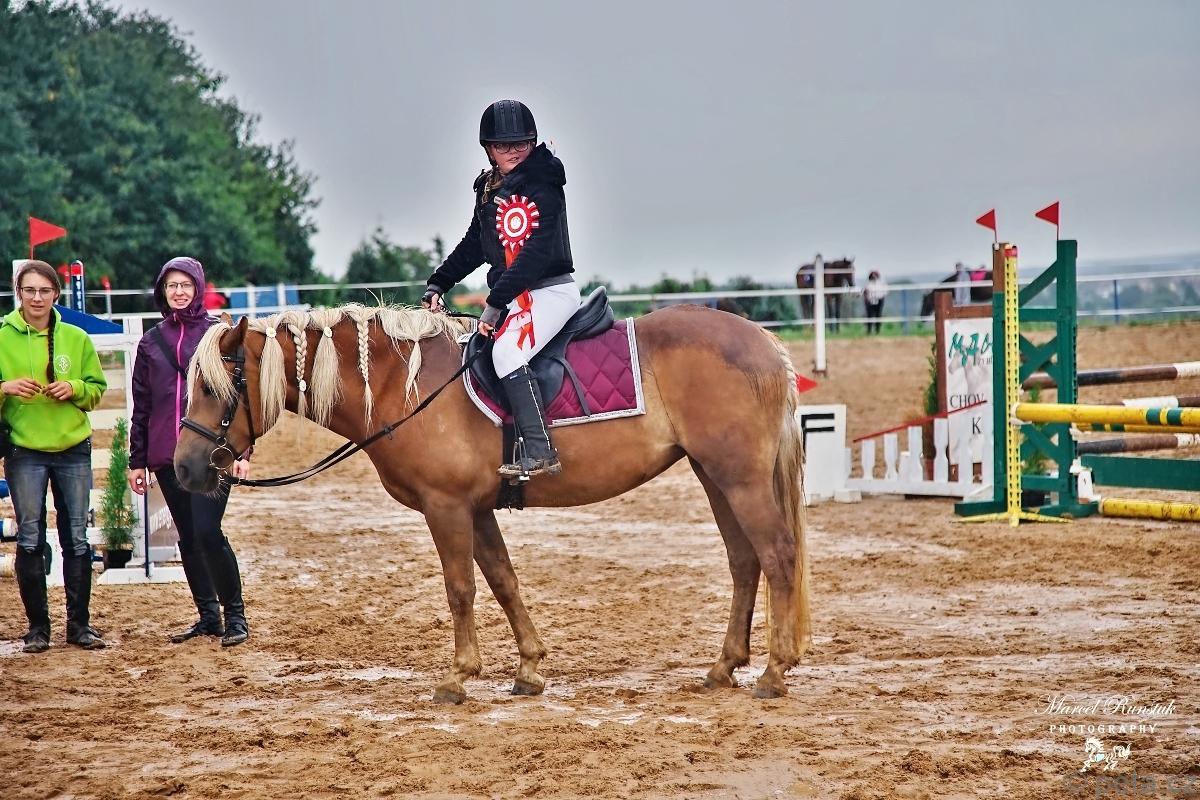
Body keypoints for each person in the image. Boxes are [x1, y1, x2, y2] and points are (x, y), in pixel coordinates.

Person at [421, 99, 579, 479]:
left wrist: (494, 303)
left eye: (521, 144)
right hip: (515, 296)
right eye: (503, 145)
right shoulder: (490, 189)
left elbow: (535, 255)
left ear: (533, 143)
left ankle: (540, 450)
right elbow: (475, 244)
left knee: (507, 352)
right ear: (489, 149)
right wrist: (439, 282)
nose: (513, 151)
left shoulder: (545, 182)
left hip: (550, 292)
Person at [127, 257, 250, 647]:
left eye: (185, 285)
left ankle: (235, 616)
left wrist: (243, 453)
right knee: (188, 537)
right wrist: (137, 460)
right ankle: (208, 618)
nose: (178, 292)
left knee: (208, 532)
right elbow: (142, 405)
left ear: (198, 288)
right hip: (168, 454)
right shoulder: (150, 343)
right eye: (171, 285)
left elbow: (242, 398)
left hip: (212, 452)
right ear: (162, 291)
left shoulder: (218, 335)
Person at [0, 260, 107, 652]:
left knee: (76, 537)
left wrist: (75, 388)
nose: (37, 298)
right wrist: (5, 387)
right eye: (29, 290)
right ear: (19, 293)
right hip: (24, 450)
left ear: (56, 294)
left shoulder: (77, 338)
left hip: (72, 448)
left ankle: (79, 626)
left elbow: (96, 389)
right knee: (29, 535)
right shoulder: (2, 336)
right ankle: (37, 629)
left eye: (45, 290)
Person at [862, 270, 888, 334]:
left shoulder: (881, 283)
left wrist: (881, 297)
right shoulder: (867, 283)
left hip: (879, 300)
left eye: (875, 275)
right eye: (872, 275)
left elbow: (885, 291)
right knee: (869, 315)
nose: (874, 277)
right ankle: (869, 330)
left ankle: (877, 330)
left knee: (878, 315)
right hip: (870, 301)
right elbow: (864, 292)